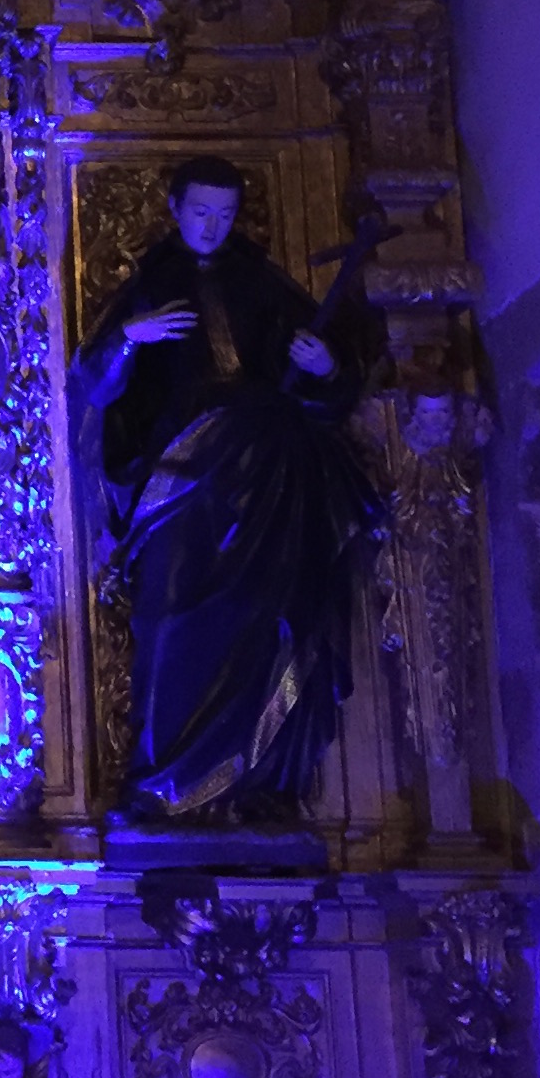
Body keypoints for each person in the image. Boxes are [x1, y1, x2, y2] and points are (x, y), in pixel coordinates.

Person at [72, 156, 383, 827]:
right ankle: (161, 784)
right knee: (168, 621)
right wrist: (129, 340)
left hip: (266, 475)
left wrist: (324, 364)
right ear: (175, 209)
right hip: (179, 476)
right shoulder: (150, 287)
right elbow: (93, 385)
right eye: (200, 212)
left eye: (225, 214)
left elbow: (331, 382)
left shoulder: (260, 284)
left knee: (267, 623)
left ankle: (257, 783)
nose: (212, 227)